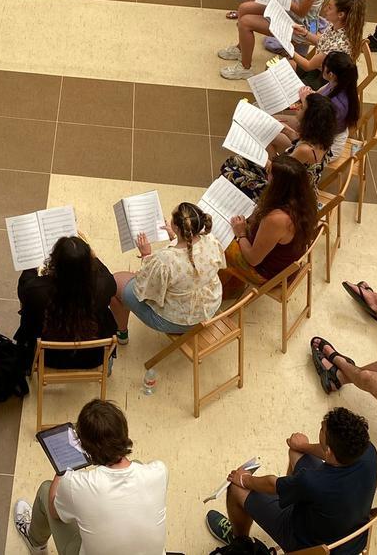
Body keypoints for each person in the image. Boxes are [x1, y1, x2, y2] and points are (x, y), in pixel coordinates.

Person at [204, 408, 377, 555]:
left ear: (330, 452)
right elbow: (324, 452)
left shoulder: (312, 481)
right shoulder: (368, 451)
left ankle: (240, 544)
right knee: (296, 452)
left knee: (236, 489)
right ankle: (290, 492)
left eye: (322, 429)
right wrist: (303, 446)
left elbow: (272, 484)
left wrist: (244, 478)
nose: (321, 429)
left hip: (305, 543)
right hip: (352, 538)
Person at [14, 399, 167, 555]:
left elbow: (54, 512)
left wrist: (62, 470)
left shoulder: (75, 485)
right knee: (136, 463)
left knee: (47, 490)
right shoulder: (159, 471)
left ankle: (35, 543)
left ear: (85, 448)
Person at [109, 202, 226, 341]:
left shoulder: (165, 260)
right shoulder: (211, 240)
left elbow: (148, 291)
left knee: (113, 282)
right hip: (210, 306)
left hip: (179, 321)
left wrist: (146, 255)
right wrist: (175, 237)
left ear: (176, 227)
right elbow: (190, 263)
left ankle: (121, 333)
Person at [15, 236, 117, 369]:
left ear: (55, 263)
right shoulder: (104, 284)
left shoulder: (36, 291)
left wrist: (31, 262)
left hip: (48, 357)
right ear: (88, 264)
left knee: (28, 312)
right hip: (94, 356)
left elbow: (24, 287)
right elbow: (107, 276)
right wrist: (90, 255)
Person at [223, 156, 319, 286]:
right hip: (284, 264)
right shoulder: (305, 200)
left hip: (268, 275)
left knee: (219, 240)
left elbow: (253, 259)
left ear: (278, 184)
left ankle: (226, 288)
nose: (266, 176)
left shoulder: (276, 219)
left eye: (269, 173)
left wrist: (241, 234)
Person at [275, 51, 358, 158]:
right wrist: (309, 94)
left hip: (324, 145)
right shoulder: (339, 83)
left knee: (273, 131)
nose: (320, 67)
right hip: (322, 130)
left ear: (331, 74)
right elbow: (319, 93)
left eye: (323, 66)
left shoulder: (336, 105)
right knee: (273, 122)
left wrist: (305, 102)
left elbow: (312, 122)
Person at [288, 0, 367, 88]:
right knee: (280, 67)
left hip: (326, 82)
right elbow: (322, 42)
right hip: (319, 69)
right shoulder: (335, 26)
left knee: (286, 85)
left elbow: (308, 66)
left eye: (329, 8)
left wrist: (289, 49)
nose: (325, 9)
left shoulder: (338, 45)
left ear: (340, 15)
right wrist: (305, 33)